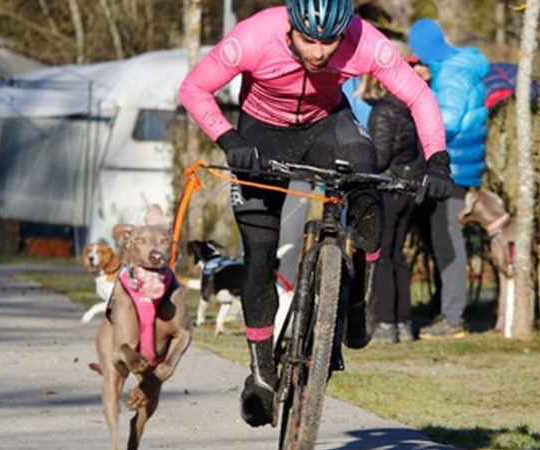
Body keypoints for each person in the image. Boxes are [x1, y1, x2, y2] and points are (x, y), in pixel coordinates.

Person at [179, 1, 453, 427]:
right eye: (309, 39)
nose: (320, 52)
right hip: (260, 132)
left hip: (328, 124)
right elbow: (193, 88)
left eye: (330, 41)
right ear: (290, 27)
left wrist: (438, 159)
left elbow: (418, 95)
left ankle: (360, 296)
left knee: (367, 178)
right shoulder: (254, 35)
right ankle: (263, 373)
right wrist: (228, 139)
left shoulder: (364, 39)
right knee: (259, 254)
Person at [407, 18, 490, 339]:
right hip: (460, 164)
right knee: (439, 239)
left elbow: (447, 122)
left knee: (447, 242)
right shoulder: (455, 67)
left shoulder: (452, 73)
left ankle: (453, 317)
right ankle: (445, 309)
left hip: (452, 167)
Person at [364, 55, 432, 344]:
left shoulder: (384, 111)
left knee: (382, 256)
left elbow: (379, 158)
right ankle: (404, 322)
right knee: (398, 256)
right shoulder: (413, 108)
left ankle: (385, 323)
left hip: (388, 188)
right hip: (409, 186)